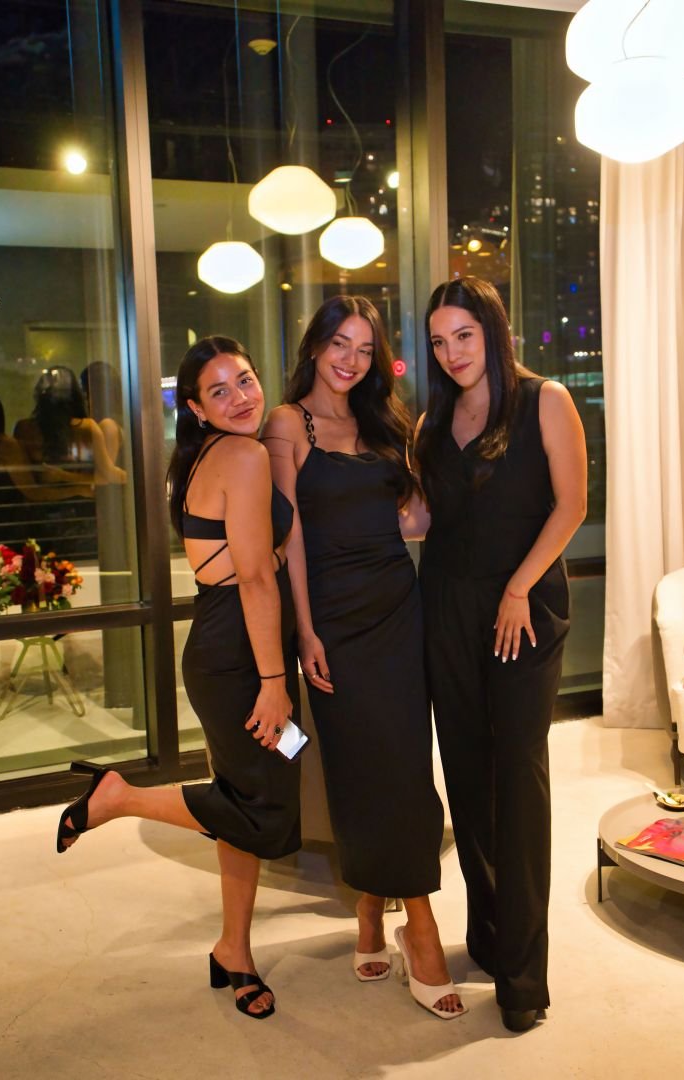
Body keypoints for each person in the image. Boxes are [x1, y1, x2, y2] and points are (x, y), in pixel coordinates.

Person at [55, 336, 300, 1021]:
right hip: (241, 657)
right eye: (219, 391)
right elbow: (254, 575)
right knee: (269, 809)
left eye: (245, 380)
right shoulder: (243, 456)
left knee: (256, 793)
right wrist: (274, 681)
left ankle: (233, 950)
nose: (241, 397)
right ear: (194, 407)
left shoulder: (212, 457)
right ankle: (118, 797)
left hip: (228, 644)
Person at [262, 296, 465, 1020]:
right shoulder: (289, 423)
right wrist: (306, 633)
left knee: (407, 765)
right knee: (356, 769)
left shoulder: (384, 423)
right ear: (315, 347)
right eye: (338, 345)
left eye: (363, 348)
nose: (350, 360)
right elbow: (288, 539)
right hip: (334, 623)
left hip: (395, 606)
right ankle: (382, 913)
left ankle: (410, 918)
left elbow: (413, 519)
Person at [413, 276, 587, 1033]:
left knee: (517, 783)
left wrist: (519, 587)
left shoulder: (545, 399)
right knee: (469, 779)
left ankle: (523, 977)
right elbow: (426, 517)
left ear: (492, 329)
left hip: (523, 608)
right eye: (439, 341)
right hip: (446, 607)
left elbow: (572, 504)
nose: (452, 353)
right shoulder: (431, 418)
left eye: (464, 336)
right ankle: (486, 937)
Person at [15, 365, 126, 489]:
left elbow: (107, 476)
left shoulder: (24, 427)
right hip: (79, 501)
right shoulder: (87, 426)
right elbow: (107, 476)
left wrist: (62, 476)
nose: (85, 396)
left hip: (43, 503)